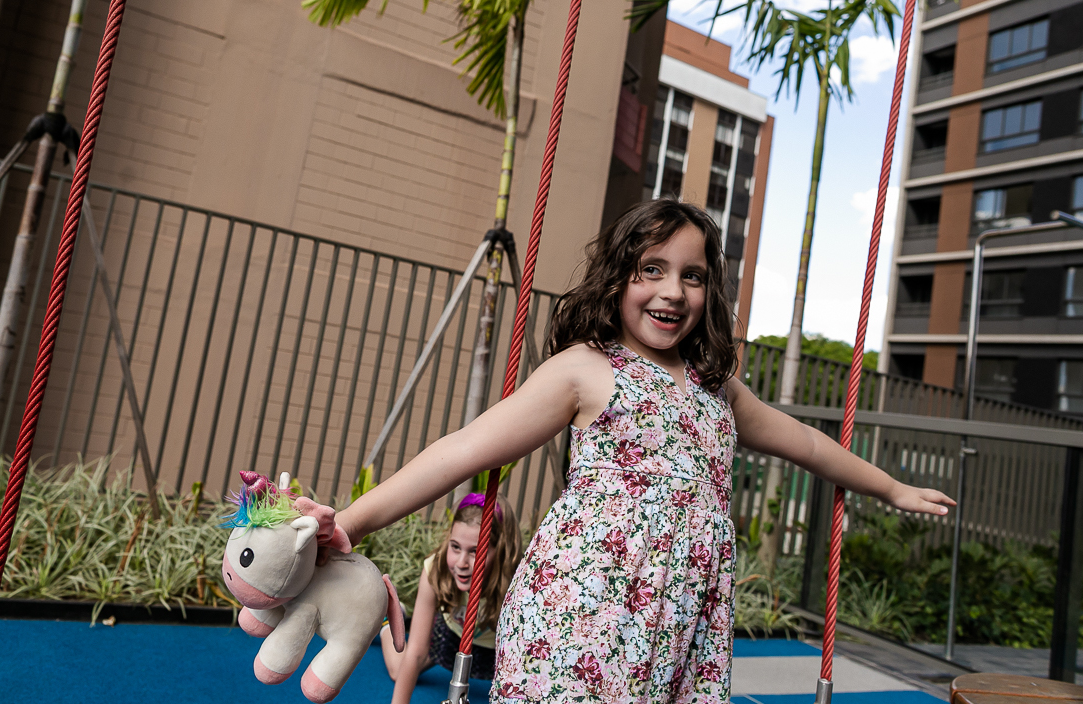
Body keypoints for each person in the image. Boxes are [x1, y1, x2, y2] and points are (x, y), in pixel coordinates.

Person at [337, 199, 954, 703]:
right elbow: (463, 449)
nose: (673, 291)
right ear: (618, 278)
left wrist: (891, 487)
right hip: (584, 615)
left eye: (692, 275)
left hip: (682, 628)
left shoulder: (717, 390)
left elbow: (810, 444)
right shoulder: (586, 371)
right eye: (651, 269)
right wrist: (352, 523)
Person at [380, 493, 522, 704]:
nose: (461, 562)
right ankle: (387, 624)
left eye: (475, 552)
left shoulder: (519, 582)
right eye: (455, 547)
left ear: (500, 550)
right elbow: (417, 652)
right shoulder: (436, 569)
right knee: (398, 671)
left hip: (495, 651)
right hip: (452, 634)